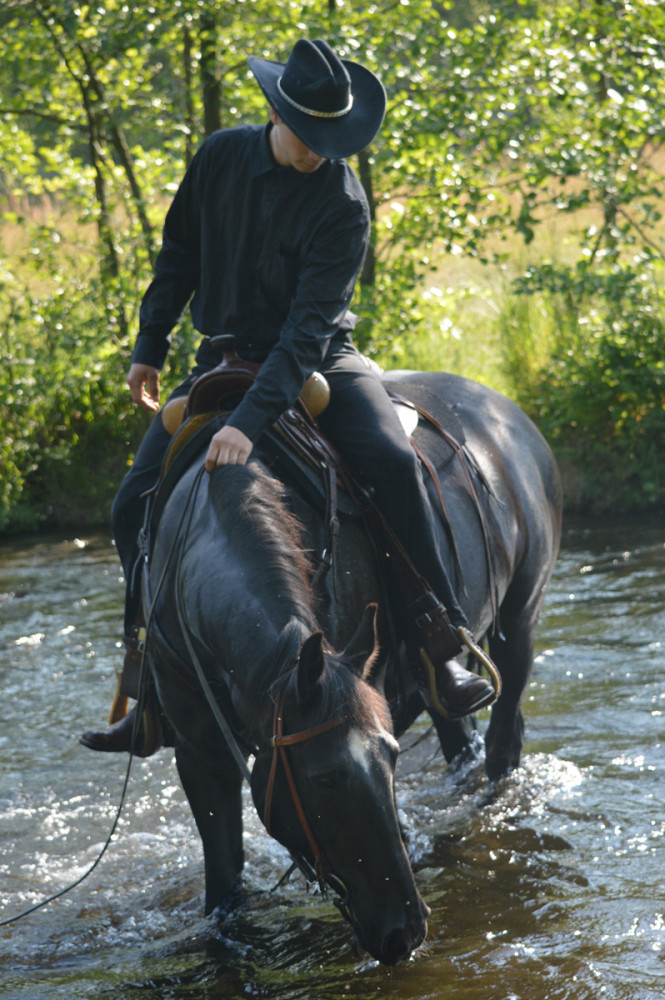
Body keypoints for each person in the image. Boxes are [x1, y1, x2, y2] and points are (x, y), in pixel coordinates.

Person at [80, 38, 494, 755]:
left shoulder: (342, 200)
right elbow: (177, 253)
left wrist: (246, 422)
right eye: (310, 137)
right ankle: (148, 684)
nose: (320, 151)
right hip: (221, 355)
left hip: (319, 357)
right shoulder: (216, 157)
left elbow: (306, 332)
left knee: (395, 469)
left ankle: (440, 640)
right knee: (129, 507)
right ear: (276, 115)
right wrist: (150, 346)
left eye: (333, 139)